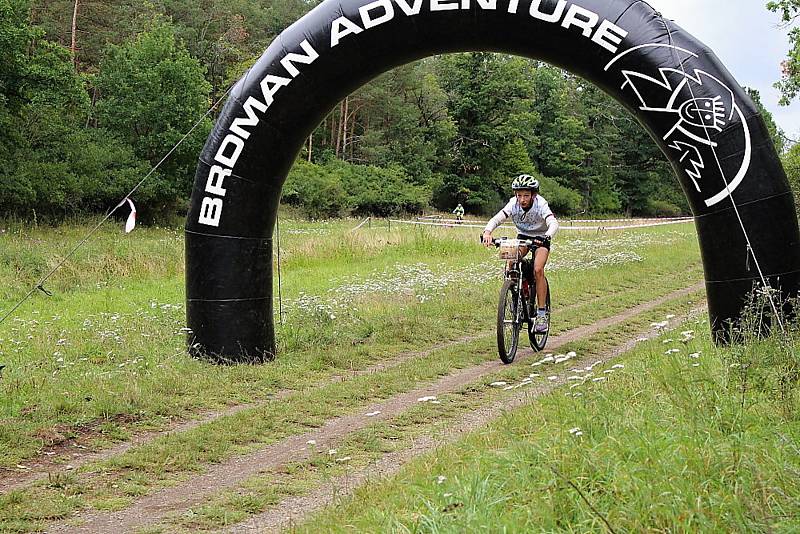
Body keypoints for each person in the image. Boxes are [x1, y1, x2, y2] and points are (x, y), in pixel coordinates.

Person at [482, 174, 559, 332]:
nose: (522, 199)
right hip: (523, 236)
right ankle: (520, 292)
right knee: (511, 261)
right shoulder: (513, 204)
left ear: (533, 195)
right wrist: (487, 232)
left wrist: (547, 236)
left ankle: (542, 313)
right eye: (519, 195)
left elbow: (553, 223)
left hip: (541, 238)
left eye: (526, 195)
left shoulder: (540, 204)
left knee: (538, 269)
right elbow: (497, 218)